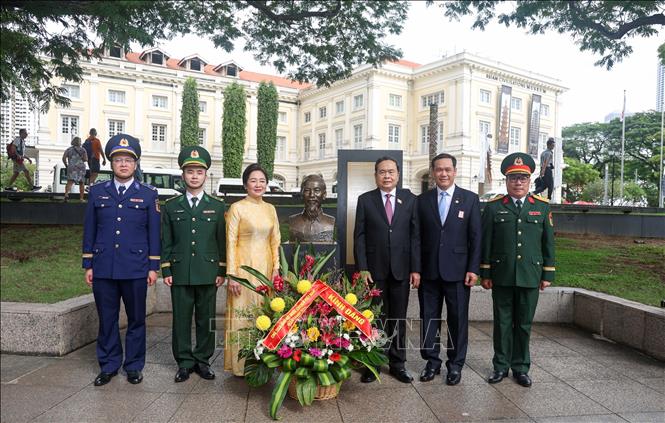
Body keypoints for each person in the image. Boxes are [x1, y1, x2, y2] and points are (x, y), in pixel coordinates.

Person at [82, 134, 160, 386]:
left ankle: (134, 366)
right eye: (118, 160)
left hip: (136, 268)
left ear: (135, 164)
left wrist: (153, 266)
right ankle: (109, 364)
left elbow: (153, 233)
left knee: (137, 319)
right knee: (107, 319)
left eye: (128, 160)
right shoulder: (97, 192)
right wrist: (88, 263)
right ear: (111, 164)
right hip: (104, 267)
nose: (123, 164)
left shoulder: (148, 194)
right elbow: (89, 229)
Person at [480, 152, 555, 388]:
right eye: (514, 178)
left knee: (524, 324)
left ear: (529, 180)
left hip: (530, 275)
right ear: (506, 181)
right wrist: (486, 272)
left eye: (523, 178)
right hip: (501, 275)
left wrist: (548, 274)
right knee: (502, 323)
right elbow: (486, 243)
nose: (518, 182)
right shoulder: (493, 208)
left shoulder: (541, 208)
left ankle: (521, 367)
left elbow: (548, 244)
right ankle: (500, 366)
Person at [161, 146, 226, 383]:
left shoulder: (218, 206)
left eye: (199, 171)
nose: (195, 176)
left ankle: (203, 360)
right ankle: (184, 362)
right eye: (190, 171)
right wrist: (166, 269)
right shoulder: (171, 206)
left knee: (205, 318)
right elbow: (166, 240)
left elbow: (221, 241)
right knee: (181, 318)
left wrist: (221, 269)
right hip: (180, 271)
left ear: (206, 175)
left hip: (208, 272)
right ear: (183, 175)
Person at [353, 156, 420, 384]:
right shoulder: (365, 200)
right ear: (376, 175)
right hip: (374, 271)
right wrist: (363, 268)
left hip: (402, 270)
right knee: (374, 319)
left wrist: (416, 269)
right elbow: (359, 237)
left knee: (398, 318)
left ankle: (397, 364)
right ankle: (373, 363)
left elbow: (415, 237)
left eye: (391, 172)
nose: (387, 176)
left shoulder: (410, 200)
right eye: (382, 172)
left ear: (398, 175)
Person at [416, 153, 481, 385]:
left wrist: (473, 268)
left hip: (459, 272)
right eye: (439, 169)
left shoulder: (470, 199)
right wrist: (416, 269)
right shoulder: (422, 201)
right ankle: (431, 361)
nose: (443, 173)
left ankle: (455, 365)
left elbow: (476, 237)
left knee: (457, 320)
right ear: (433, 172)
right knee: (429, 318)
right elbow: (417, 238)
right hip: (429, 272)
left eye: (448, 169)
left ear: (455, 171)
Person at [224, 163, 281, 376]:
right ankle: (241, 366)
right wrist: (233, 275)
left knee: (265, 314)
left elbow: (276, 241)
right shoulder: (237, 208)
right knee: (243, 315)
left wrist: (276, 268)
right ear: (246, 184)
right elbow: (230, 242)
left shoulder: (270, 209)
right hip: (244, 269)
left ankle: (264, 362)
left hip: (266, 270)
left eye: (262, 181)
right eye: (253, 180)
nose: (258, 184)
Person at [288, 174, 335, 242]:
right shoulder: (293, 221)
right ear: (302, 194)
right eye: (307, 190)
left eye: (316, 190)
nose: (312, 195)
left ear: (324, 195)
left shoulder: (331, 222)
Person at [62, 137, 88, 202]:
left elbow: (63, 158)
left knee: (70, 182)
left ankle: (66, 194)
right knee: (81, 183)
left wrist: (66, 165)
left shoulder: (68, 149)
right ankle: (81, 198)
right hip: (80, 167)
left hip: (71, 167)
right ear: (79, 142)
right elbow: (86, 159)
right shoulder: (83, 150)